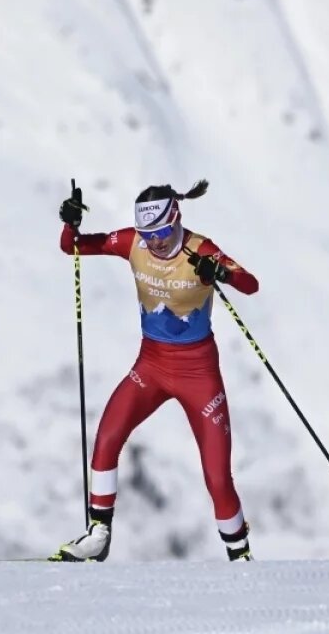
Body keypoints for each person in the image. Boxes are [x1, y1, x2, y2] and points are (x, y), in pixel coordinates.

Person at [51, 179, 260, 562]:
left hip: (198, 373)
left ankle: (240, 554)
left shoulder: (200, 249)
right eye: (149, 235)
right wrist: (71, 225)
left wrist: (221, 272)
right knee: (108, 435)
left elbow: (251, 284)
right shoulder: (132, 243)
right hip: (151, 365)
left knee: (217, 477)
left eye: (163, 232)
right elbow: (73, 248)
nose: (157, 242)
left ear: (176, 218)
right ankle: (98, 533)